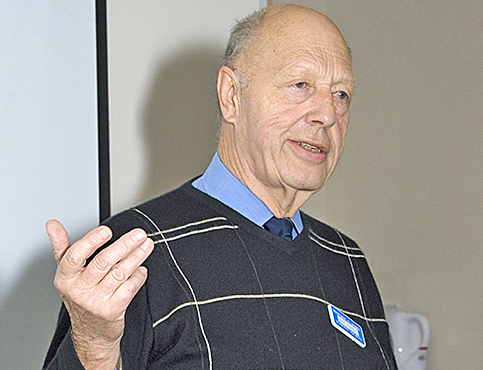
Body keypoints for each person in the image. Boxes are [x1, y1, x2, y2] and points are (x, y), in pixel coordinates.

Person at [43, 4, 398, 370]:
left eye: (341, 95)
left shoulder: (345, 258)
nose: (327, 114)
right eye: (300, 85)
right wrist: (93, 349)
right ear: (231, 96)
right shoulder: (132, 251)